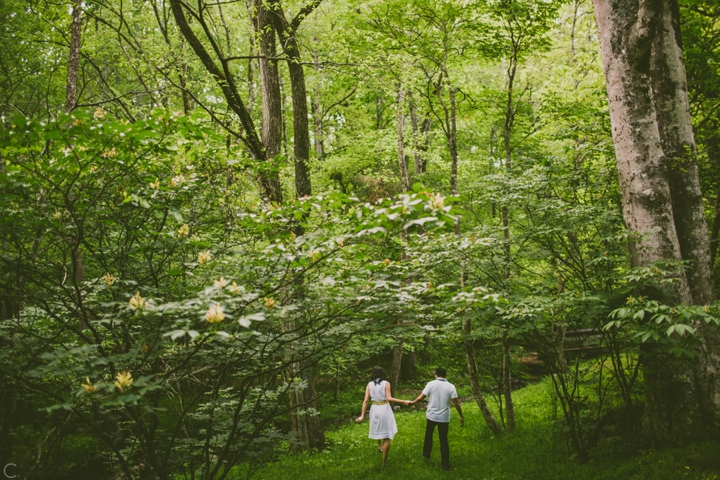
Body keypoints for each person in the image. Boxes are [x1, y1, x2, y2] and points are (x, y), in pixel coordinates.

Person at [411, 367, 464, 471]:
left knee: (428, 434)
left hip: (431, 415)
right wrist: (461, 416)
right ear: (446, 376)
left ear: (436, 375)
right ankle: (445, 464)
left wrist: (412, 402)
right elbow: (456, 403)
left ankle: (426, 453)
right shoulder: (451, 386)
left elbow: (421, 397)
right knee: (443, 439)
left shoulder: (431, 384)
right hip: (444, 417)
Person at [356, 366, 410, 466]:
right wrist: (403, 401)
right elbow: (389, 398)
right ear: (383, 374)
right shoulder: (386, 383)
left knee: (378, 427)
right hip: (384, 408)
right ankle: (384, 462)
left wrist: (362, 416)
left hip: (374, 408)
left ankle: (379, 446)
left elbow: (366, 401)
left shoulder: (369, 384)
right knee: (387, 436)